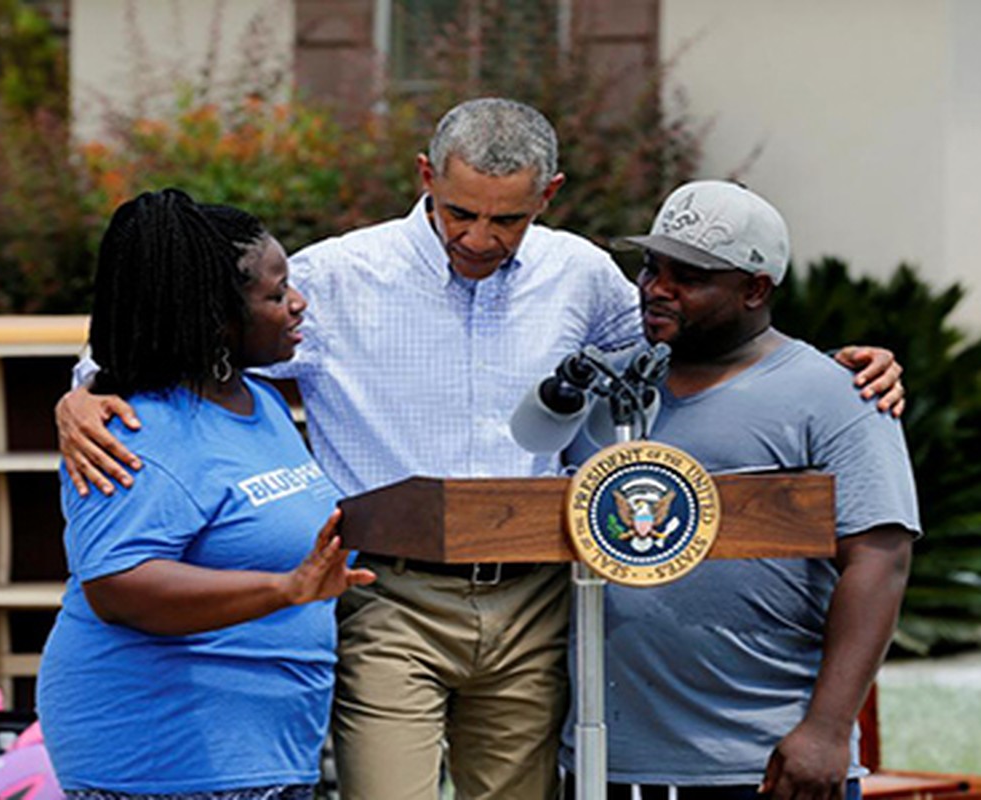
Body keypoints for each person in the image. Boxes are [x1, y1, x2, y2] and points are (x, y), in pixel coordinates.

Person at [56, 100, 905, 800]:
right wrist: (78, 397)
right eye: (460, 211)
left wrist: (835, 369)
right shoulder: (339, 276)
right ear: (426, 178)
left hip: (536, 597)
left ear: (550, 195)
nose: (478, 237)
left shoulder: (580, 276)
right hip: (385, 596)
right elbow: (170, 333)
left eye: (508, 218)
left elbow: (685, 343)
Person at [560, 180, 919, 800]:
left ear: (755, 288)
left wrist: (829, 731)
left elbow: (880, 559)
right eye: (651, 267)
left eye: (688, 276)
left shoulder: (838, 396)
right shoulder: (601, 386)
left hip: (764, 763)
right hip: (602, 761)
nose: (656, 288)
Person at [36, 189, 375, 800]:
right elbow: (119, 586)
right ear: (215, 318)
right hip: (165, 756)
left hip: (265, 750)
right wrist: (286, 589)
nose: (297, 305)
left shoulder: (263, 402)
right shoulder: (135, 431)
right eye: (275, 296)